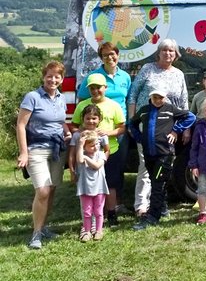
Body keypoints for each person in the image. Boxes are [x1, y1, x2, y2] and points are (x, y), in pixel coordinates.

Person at [129, 38, 189, 217]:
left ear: (176, 55)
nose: (168, 53)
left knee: (163, 166)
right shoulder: (148, 69)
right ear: (159, 52)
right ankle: (141, 205)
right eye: (165, 50)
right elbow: (133, 94)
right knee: (145, 165)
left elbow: (183, 100)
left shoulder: (178, 74)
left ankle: (159, 204)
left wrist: (183, 129)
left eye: (171, 51)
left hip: (168, 128)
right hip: (147, 123)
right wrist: (132, 120)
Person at [16, 61, 72, 249]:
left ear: (62, 79)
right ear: (43, 76)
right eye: (49, 75)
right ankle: (36, 234)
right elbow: (21, 125)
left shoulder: (61, 98)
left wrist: (66, 131)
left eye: (57, 76)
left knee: (52, 189)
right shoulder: (32, 97)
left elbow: (60, 121)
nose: (53, 79)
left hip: (57, 149)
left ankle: (44, 227)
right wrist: (24, 152)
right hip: (36, 149)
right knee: (43, 190)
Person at [130, 87, 196, 230]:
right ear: (151, 97)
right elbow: (132, 123)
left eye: (161, 97)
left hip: (165, 154)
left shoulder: (170, 109)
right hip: (149, 154)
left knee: (157, 185)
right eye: (155, 97)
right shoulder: (144, 110)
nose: (158, 100)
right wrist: (139, 137)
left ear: (164, 98)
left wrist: (176, 130)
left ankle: (153, 216)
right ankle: (163, 208)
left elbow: (191, 117)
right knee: (156, 181)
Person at [76, 42, 131, 212]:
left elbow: (128, 99)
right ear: (101, 58)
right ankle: (98, 206)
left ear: (118, 55)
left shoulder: (125, 77)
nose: (110, 57)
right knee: (96, 166)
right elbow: (83, 101)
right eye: (105, 55)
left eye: (112, 54)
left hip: (119, 127)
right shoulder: (94, 77)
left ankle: (116, 204)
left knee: (117, 167)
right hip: (98, 130)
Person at [71, 73, 125, 226]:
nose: (95, 91)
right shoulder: (82, 105)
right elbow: (74, 125)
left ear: (105, 88)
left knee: (111, 183)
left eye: (98, 88)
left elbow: (122, 127)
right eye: (92, 88)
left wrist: (108, 133)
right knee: (90, 183)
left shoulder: (113, 105)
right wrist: (82, 132)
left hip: (110, 150)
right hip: (88, 153)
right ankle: (91, 216)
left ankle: (112, 213)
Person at [74, 130, 109, 242]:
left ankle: (99, 231)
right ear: (85, 146)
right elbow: (79, 160)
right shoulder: (82, 155)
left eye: (97, 144)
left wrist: (87, 159)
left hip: (99, 187)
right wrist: (80, 145)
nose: (96, 147)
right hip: (85, 188)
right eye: (92, 145)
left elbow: (97, 166)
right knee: (87, 212)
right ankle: (87, 232)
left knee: (98, 211)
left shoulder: (101, 154)